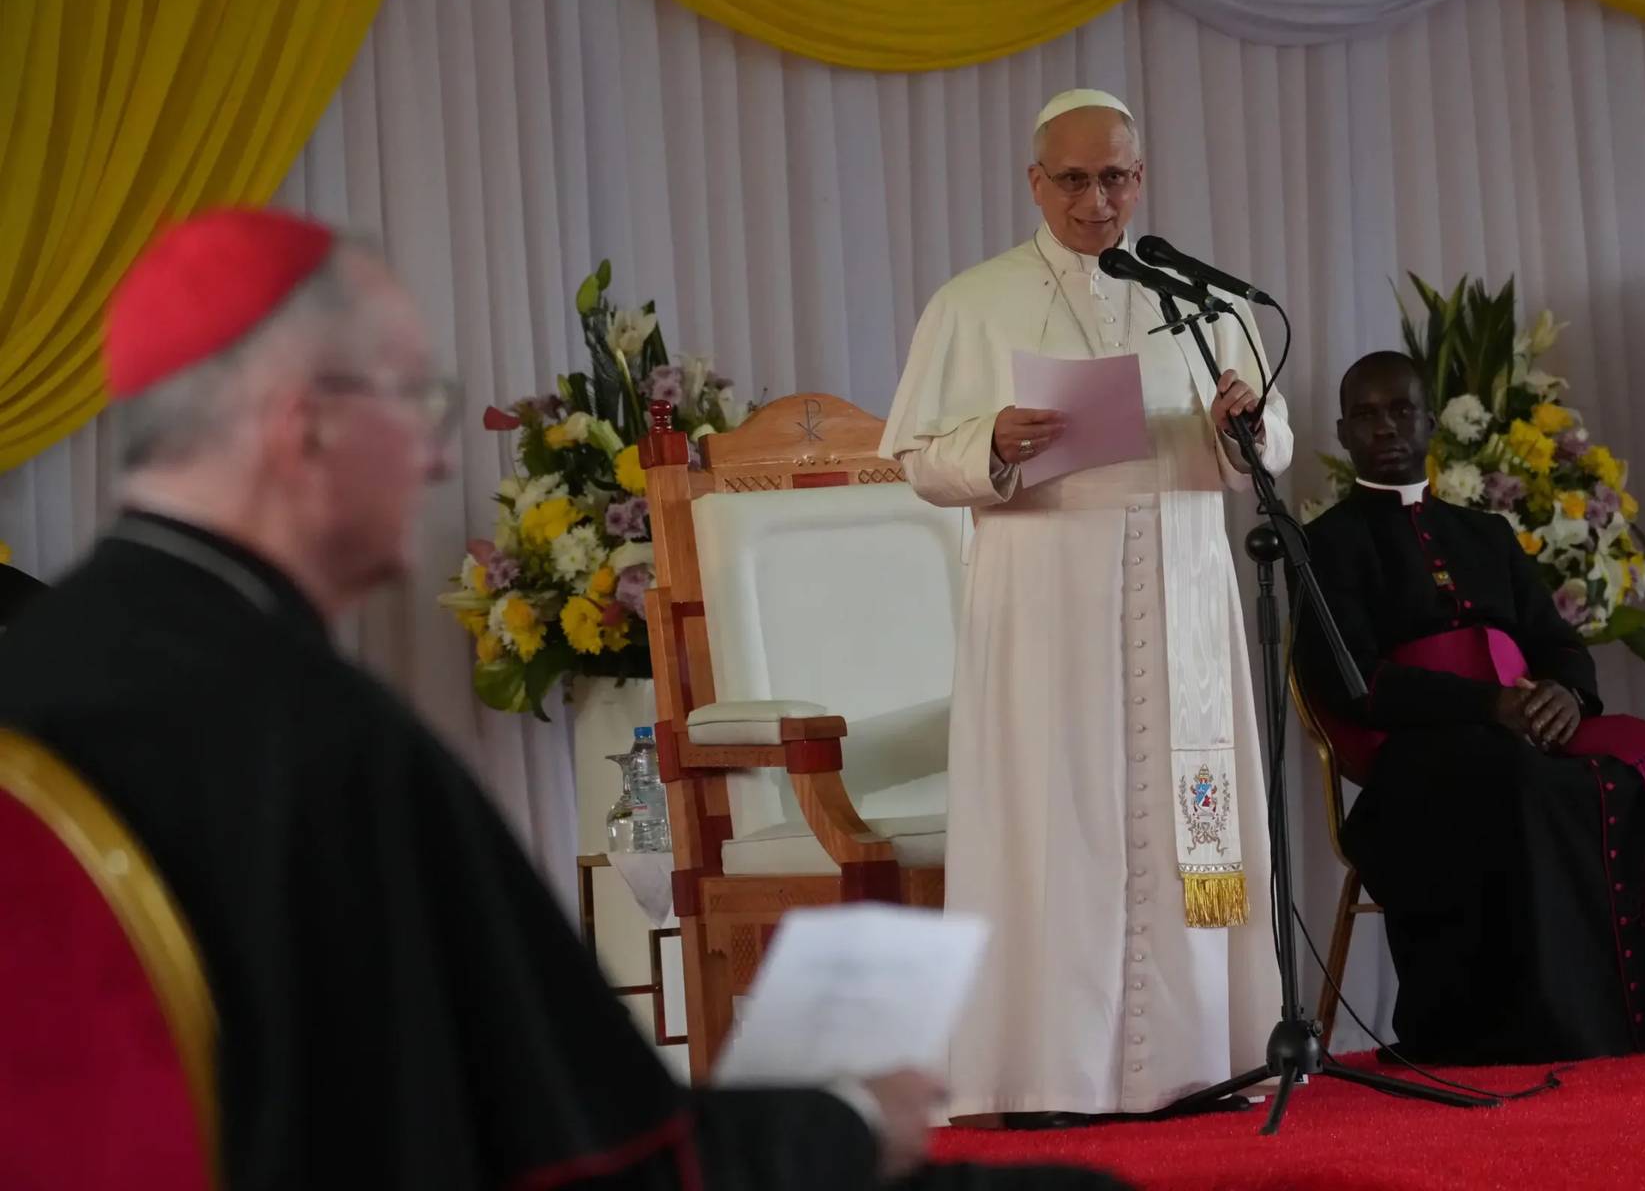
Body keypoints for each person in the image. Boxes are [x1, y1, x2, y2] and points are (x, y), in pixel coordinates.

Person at [0, 207, 1128, 1191]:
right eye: (420, 400)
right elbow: (603, 1160)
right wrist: (844, 1117)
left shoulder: (30, 683)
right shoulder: (329, 750)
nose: (441, 461)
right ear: (309, 422)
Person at [880, 90, 1292, 1125]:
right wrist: (994, 445)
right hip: (1047, 596)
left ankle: (1203, 1055)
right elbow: (916, 456)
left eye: (1115, 176)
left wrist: (1248, 428)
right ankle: (1045, 1070)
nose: (1096, 198)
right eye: (1073, 179)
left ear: (1140, 180)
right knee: (1055, 821)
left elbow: (1274, 441)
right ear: (1035, 183)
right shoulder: (973, 302)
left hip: (1185, 585)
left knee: (1192, 822)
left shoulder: (1198, 302)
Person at [1296, 350, 1645, 1065]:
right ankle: (1550, 1027)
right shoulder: (1322, 546)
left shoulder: (1485, 535)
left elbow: (1557, 645)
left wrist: (1566, 697)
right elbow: (1356, 684)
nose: (1386, 427)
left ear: (1429, 423)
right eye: (1368, 415)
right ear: (1345, 431)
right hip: (1412, 748)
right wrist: (1489, 705)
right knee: (1514, 779)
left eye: (1401, 410)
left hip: (1520, 723)